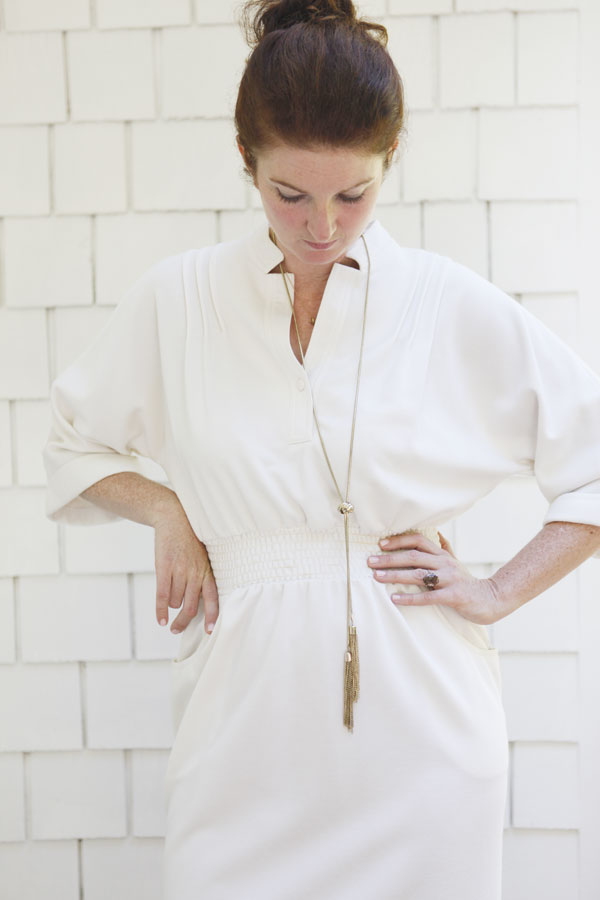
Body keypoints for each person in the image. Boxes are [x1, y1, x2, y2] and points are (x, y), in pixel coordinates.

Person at [42, 1, 600, 898]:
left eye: (355, 195)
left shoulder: (444, 302)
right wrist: (166, 508)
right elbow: (73, 439)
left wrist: (497, 591)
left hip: (424, 746)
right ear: (246, 161)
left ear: (390, 160)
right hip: (240, 739)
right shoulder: (178, 300)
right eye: (290, 194)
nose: (323, 227)